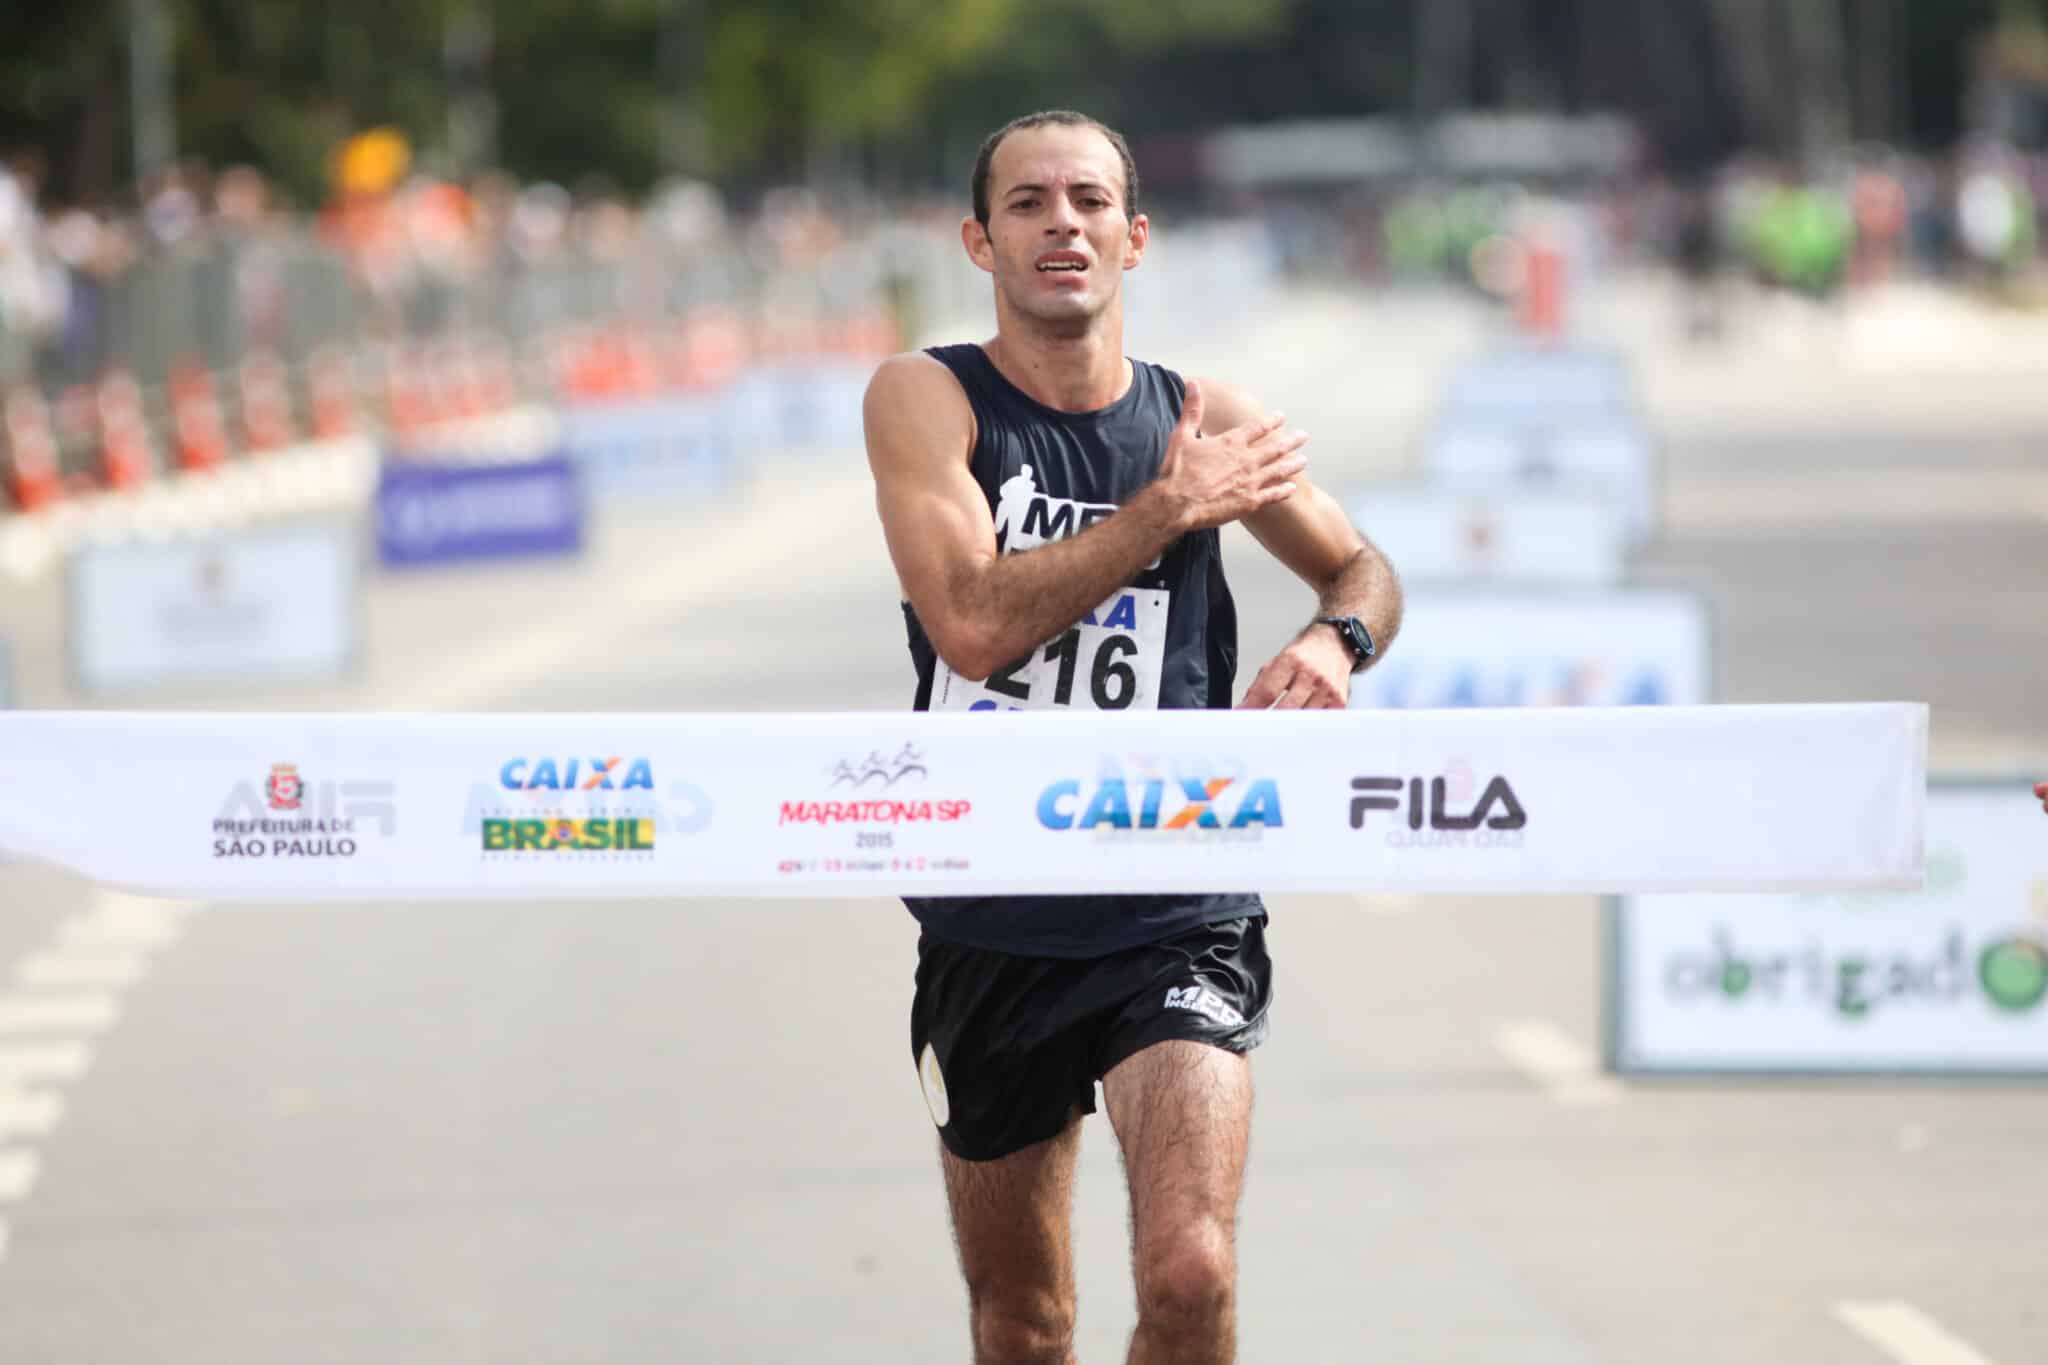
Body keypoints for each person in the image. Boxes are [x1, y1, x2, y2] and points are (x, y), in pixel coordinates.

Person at [862, 110, 1402, 1365]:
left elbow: (1363, 570)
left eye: (1090, 201)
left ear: (1135, 237)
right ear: (979, 240)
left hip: (1173, 897)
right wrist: (1165, 507)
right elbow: (971, 626)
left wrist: (1336, 644)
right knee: (1025, 1324)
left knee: (1190, 1272)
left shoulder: (1202, 413)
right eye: (1029, 203)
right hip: (988, 912)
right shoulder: (924, 397)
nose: (1063, 224)